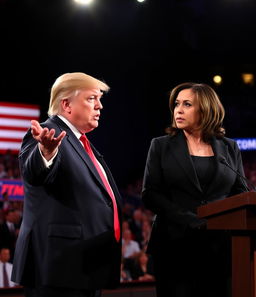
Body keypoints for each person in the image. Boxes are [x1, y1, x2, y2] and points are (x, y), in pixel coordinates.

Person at [11, 72, 123, 297]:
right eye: (92, 98)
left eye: (100, 99)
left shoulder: (82, 143)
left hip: (84, 264)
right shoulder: (48, 135)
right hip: (59, 268)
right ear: (67, 104)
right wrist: (46, 151)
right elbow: (34, 173)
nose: (99, 106)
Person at [141, 82, 247, 297]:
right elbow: (150, 194)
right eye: (177, 104)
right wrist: (191, 220)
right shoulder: (161, 146)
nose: (178, 110)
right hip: (175, 246)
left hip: (220, 249)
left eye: (187, 104)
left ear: (206, 109)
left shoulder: (229, 147)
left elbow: (239, 192)